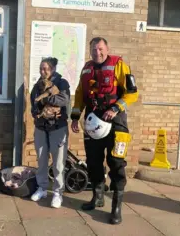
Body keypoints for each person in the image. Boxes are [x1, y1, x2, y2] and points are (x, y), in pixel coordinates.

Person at [70, 37, 139, 225]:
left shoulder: (119, 65)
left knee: (116, 163)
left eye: (100, 49)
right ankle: (97, 197)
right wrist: (75, 117)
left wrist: (116, 108)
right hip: (93, 122)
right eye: (93, 49)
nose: (97, 52)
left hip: (116, 122)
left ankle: (116, 207)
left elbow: (132, 93)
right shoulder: (87, 69)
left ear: (107, 49)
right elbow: (80, 95)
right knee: (93, 161)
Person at [30, 57, 71, 209]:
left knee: (58, 162)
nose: (43, 71)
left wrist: (45, 100)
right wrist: (37, 112)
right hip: (41, 127)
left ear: (53, 69)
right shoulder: (37, 86)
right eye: (41, 68)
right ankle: (42, 188)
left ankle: (58, 192)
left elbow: (64, 99)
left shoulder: (62, 83)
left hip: (58, 128)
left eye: (46, 68)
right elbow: (33, 104)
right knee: (41, 160)